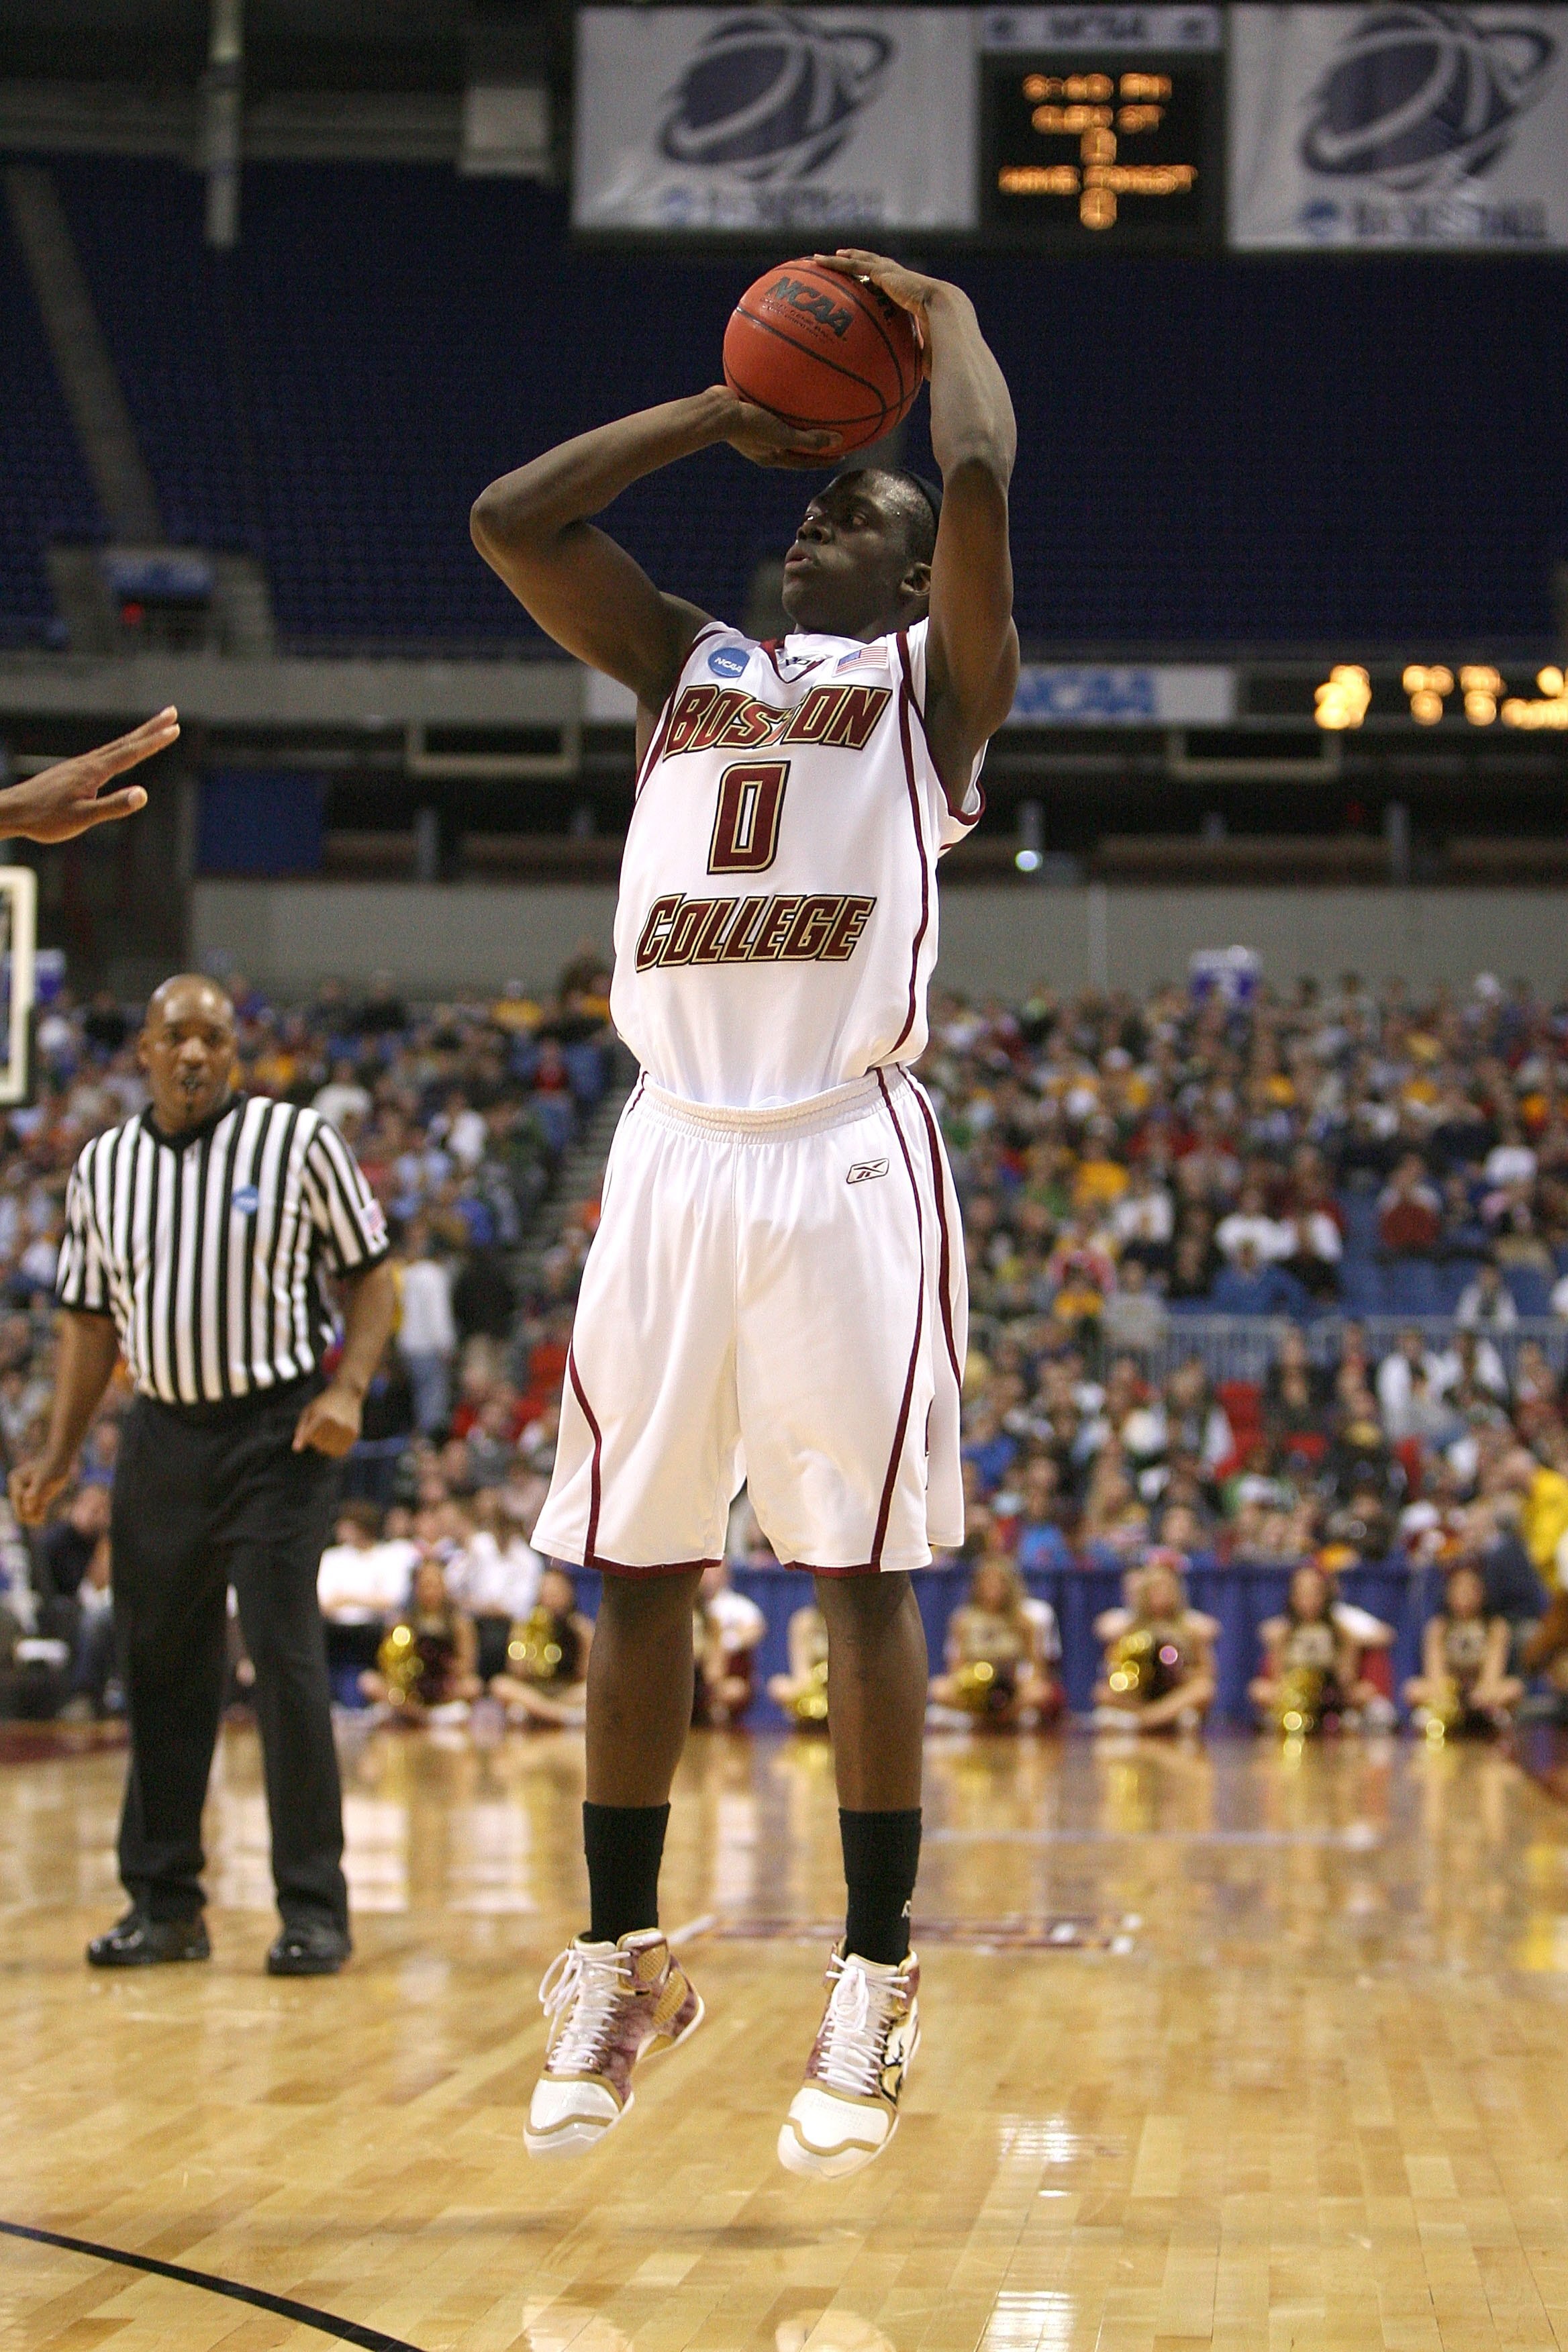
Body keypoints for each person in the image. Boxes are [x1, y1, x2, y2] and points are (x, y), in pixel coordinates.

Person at [473, 244, 1017, 2177]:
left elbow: (972, 489)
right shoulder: (686, 661)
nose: (815, 528)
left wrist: (941, 335)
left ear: (902, 564)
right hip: (674, 1144)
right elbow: (511, 519)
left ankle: (873, 1976)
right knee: (633, 1567)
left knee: (854, 1580)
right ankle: (624, 1958)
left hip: (840, 1155)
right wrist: (727, 404)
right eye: (803, 509)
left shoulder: (935, 693)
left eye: (844, 505)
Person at [11, 975, 396, 1976]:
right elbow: (90, 1323)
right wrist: (58, 1452)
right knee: (159, 1670)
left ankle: (314, 1908)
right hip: (161, 1440)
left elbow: (372, 1274)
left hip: (278, 1437)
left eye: (213, 1039)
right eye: (176, 1036)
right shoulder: (103, 1167)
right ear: (144, 1049)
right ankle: (166, 1906)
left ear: (235, 1052)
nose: (194, 1054)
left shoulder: (298, 1142)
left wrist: (349, 1387)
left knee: (284, 1661)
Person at [928, 1554, 1060, 1728]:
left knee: (1041, 1693)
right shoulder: (963, 1620)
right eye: (987, 1582)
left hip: (1012, 1688)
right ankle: (986, 1716)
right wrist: (971, 1686)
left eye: (998, 1582)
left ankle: (997, 1716)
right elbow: (955, 1668)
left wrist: (1022, 1687)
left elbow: (1037, 1669)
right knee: (937, 1688)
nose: (992, 1588)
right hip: (975, 1690)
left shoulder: (1025, 1621)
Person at [1092, 1554, 1217, 1734]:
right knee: (1102, 1693)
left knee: (1204, 1690)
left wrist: (1183, 1673)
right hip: (1140, 1695)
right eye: (1155, 1590)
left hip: (1176, 1692)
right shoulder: (1129, 1629)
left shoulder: (1191, 1629)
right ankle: (1161, 1719)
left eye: (1166, 1590)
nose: (1161, 1596)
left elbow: (1207, 1673)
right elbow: (1112, 1669)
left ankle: (1145, 1720)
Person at [1405, 1563, 1522, 1736]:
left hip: (1482, 1694)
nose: (1465, 1596)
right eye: (1459, 1589)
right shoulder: (1439, 1627)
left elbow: (1493, 1674)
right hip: (1448, 1692)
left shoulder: (1496, 1627)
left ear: (1483, 1593)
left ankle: (1488, 1717)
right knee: (1413, 1689)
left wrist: (1482, 1695)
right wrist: (1446, 1696)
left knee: (1514, 1688)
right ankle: (1445, 1717)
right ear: (1448, 1593)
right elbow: (1434, 1673)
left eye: (1471, 1590)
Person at [360, 1556, 482, 1722]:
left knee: (473, 1686)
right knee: (368, 1682)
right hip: (410, 1691)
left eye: (435, 1585)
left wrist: (441, 1664)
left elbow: (468, 1665)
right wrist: (412, 1671)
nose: (430, 1592)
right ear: (416, 1588)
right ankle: (423, 1716)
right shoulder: (402, 1620)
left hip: (445, 1687)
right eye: (425, 1585)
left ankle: (416, 1715)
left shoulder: (459, 1622)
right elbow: (385, 1663)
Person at [1250, 1564, 1365, 1734]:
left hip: (1330, 1695)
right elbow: (1277, 1677)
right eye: (1303, 1595)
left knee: (1364, 1693)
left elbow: (1348, 1677)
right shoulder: (1283, 1633)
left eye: (1315, 1594)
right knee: (1259, 1689)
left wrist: (1330, 1669)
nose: (1309, 1601)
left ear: (1326, 1596)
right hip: (1295, 1694)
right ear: (1293, 1598)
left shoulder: (1342, 1633)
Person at [490, 1563, 595, 1728]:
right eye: (547, 1592)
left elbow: (587, 1675)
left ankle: (541, 1713)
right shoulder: (524, 1625)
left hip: (567, 1690)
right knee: (500, 1685)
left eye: (557, 1592)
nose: (552, 1597)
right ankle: (563, 1717)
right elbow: (515, 1671)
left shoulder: (583, 1628)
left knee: (591, 1691)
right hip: (534, 1689)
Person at [691, 1558, 767, 1728]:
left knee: (734, 1689)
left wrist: (725, 1645)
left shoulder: (722, 1615)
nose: (708, 1578)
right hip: (687, 1677)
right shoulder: (685, 1612)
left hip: (704, 1682)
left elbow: (714, 1672)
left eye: (714, 1571)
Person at [768, 1602, 831, 1728]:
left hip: (842, 1689)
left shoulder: (850, 1621)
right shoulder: (803, 1621)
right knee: (778, 1685)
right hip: (815, 1688)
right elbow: (801, 1673)